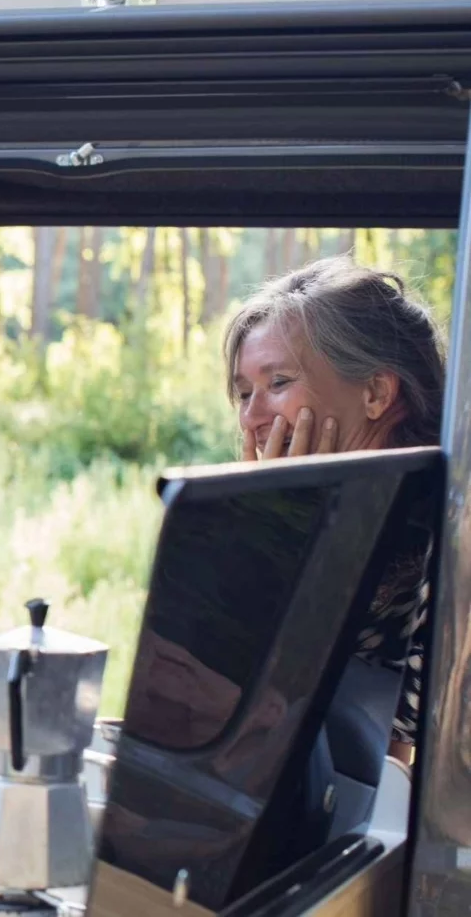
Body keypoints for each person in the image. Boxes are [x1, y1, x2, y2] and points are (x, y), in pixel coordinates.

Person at [226, 254, 445, 762]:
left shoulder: (451, 533)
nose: (251, 418)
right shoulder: (354, 519)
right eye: (244, 393)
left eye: (278, 383)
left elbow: (394, 750)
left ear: (376, 392)